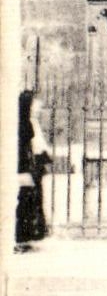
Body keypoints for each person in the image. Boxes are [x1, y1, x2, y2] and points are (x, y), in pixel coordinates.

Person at [15, 90, 51, 252]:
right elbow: (25, 147)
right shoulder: (23, 123)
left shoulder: (30, 121)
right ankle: (21, 237)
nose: (38, 108)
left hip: (33, 166)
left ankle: (29, 235)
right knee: (25, 202)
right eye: (34, 105)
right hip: (25, 167)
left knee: (32, 201)